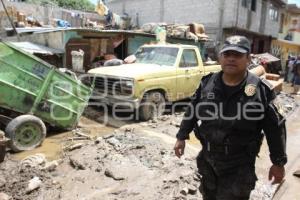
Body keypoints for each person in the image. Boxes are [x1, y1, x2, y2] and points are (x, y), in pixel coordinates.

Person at [174, 35, 287, 200]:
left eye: (238, 55)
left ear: (248, 58)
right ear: (220, 58)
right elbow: (192, 110)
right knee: (208, 195)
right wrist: (181, 136)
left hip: (239, 166)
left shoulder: (261, 90)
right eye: (227, 54)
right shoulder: (207, 83)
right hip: (208, 160)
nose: (231, 59)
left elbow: (275, 129)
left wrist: (278, 163)